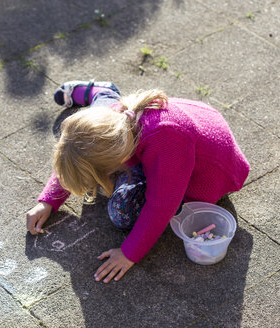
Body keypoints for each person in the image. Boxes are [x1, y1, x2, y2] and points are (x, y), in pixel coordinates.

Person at [26, 80, 250, 283]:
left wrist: (128, 253)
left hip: (210, 173)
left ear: (119, 162)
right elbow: (74, 153)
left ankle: (103, 96)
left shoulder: (166, 141)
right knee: (89, 151)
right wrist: (47, 201)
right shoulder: (108, 121)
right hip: (173, 145)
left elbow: (161, 206)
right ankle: (103, 93)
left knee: (122, 212)